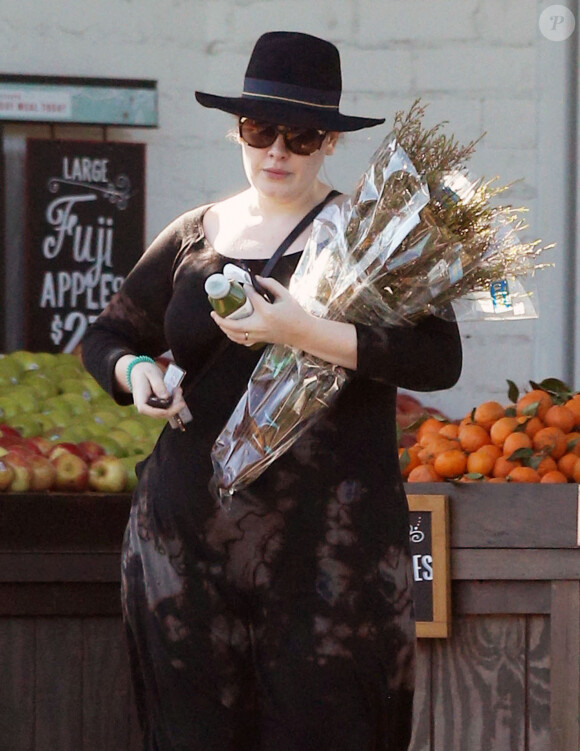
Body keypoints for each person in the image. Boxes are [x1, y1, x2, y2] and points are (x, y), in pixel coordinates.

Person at [81, 31, 462, 751]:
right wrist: (140, 377)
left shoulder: (371, 239)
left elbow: (438, 358)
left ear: (330, 144)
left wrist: (306, 330)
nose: (277, 152)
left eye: (301, 134)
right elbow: (105, 337)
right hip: (186, 538)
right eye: (260, 131)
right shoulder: (196, 234)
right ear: (238, 133)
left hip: (328, 552)